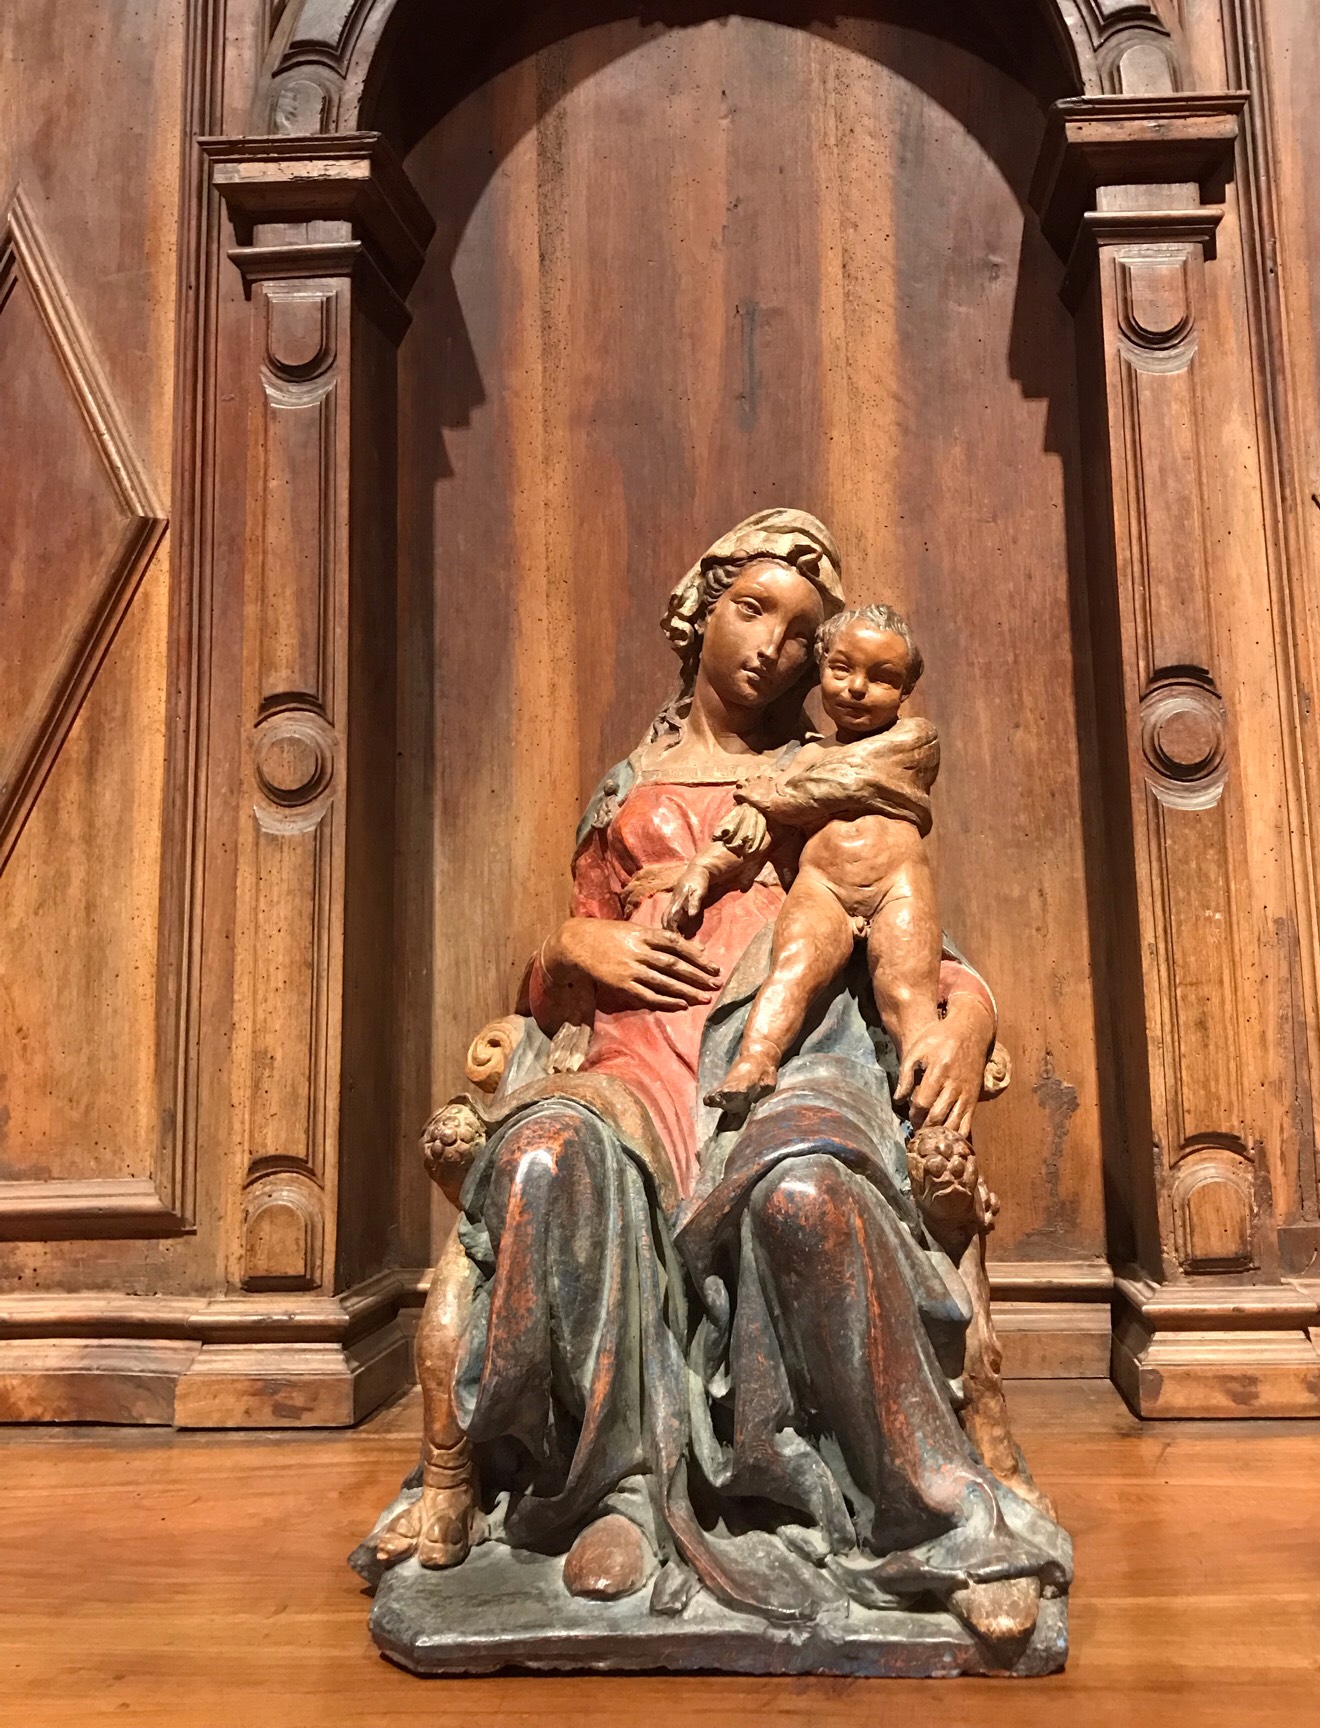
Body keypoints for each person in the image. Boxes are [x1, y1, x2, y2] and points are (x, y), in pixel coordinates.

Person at [371, 509, 1068, 1655]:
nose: (773, 649)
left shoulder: (826, 776)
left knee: (807, 1192)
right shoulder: (629, 784)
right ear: (700, 611)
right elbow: (545, 998)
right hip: (632, 1064)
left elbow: (918, 931)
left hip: (789, 1057)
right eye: (752, 611)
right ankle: (612, 1494)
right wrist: (571, 947)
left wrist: (967, 1021)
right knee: (547, 1158)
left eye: (800, 636)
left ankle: (934, 1513)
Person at [657, 601, 945, 1125]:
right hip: (822, 888)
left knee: (906, 992)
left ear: (905, 692)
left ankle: (928, 1108)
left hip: (896, 887)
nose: (857, 688)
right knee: (793, 969)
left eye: (882, 678)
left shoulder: (912, 740)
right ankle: (755, 1062)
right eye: (842, 669)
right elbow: (759, 830)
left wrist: (780, 797)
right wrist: (706, 867)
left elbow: (852, 781)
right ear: (820, 669)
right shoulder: (803, 756)